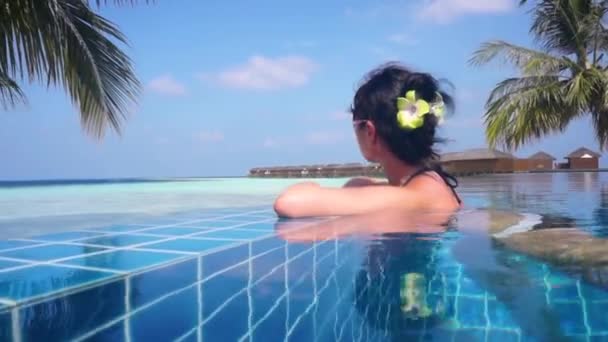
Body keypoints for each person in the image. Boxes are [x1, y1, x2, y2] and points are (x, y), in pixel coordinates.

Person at [273, 62, 461, 218]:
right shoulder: (426, 185)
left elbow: (289, 203)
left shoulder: (417, 196)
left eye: (356, 125)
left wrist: (311, 186)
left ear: (370, 132)